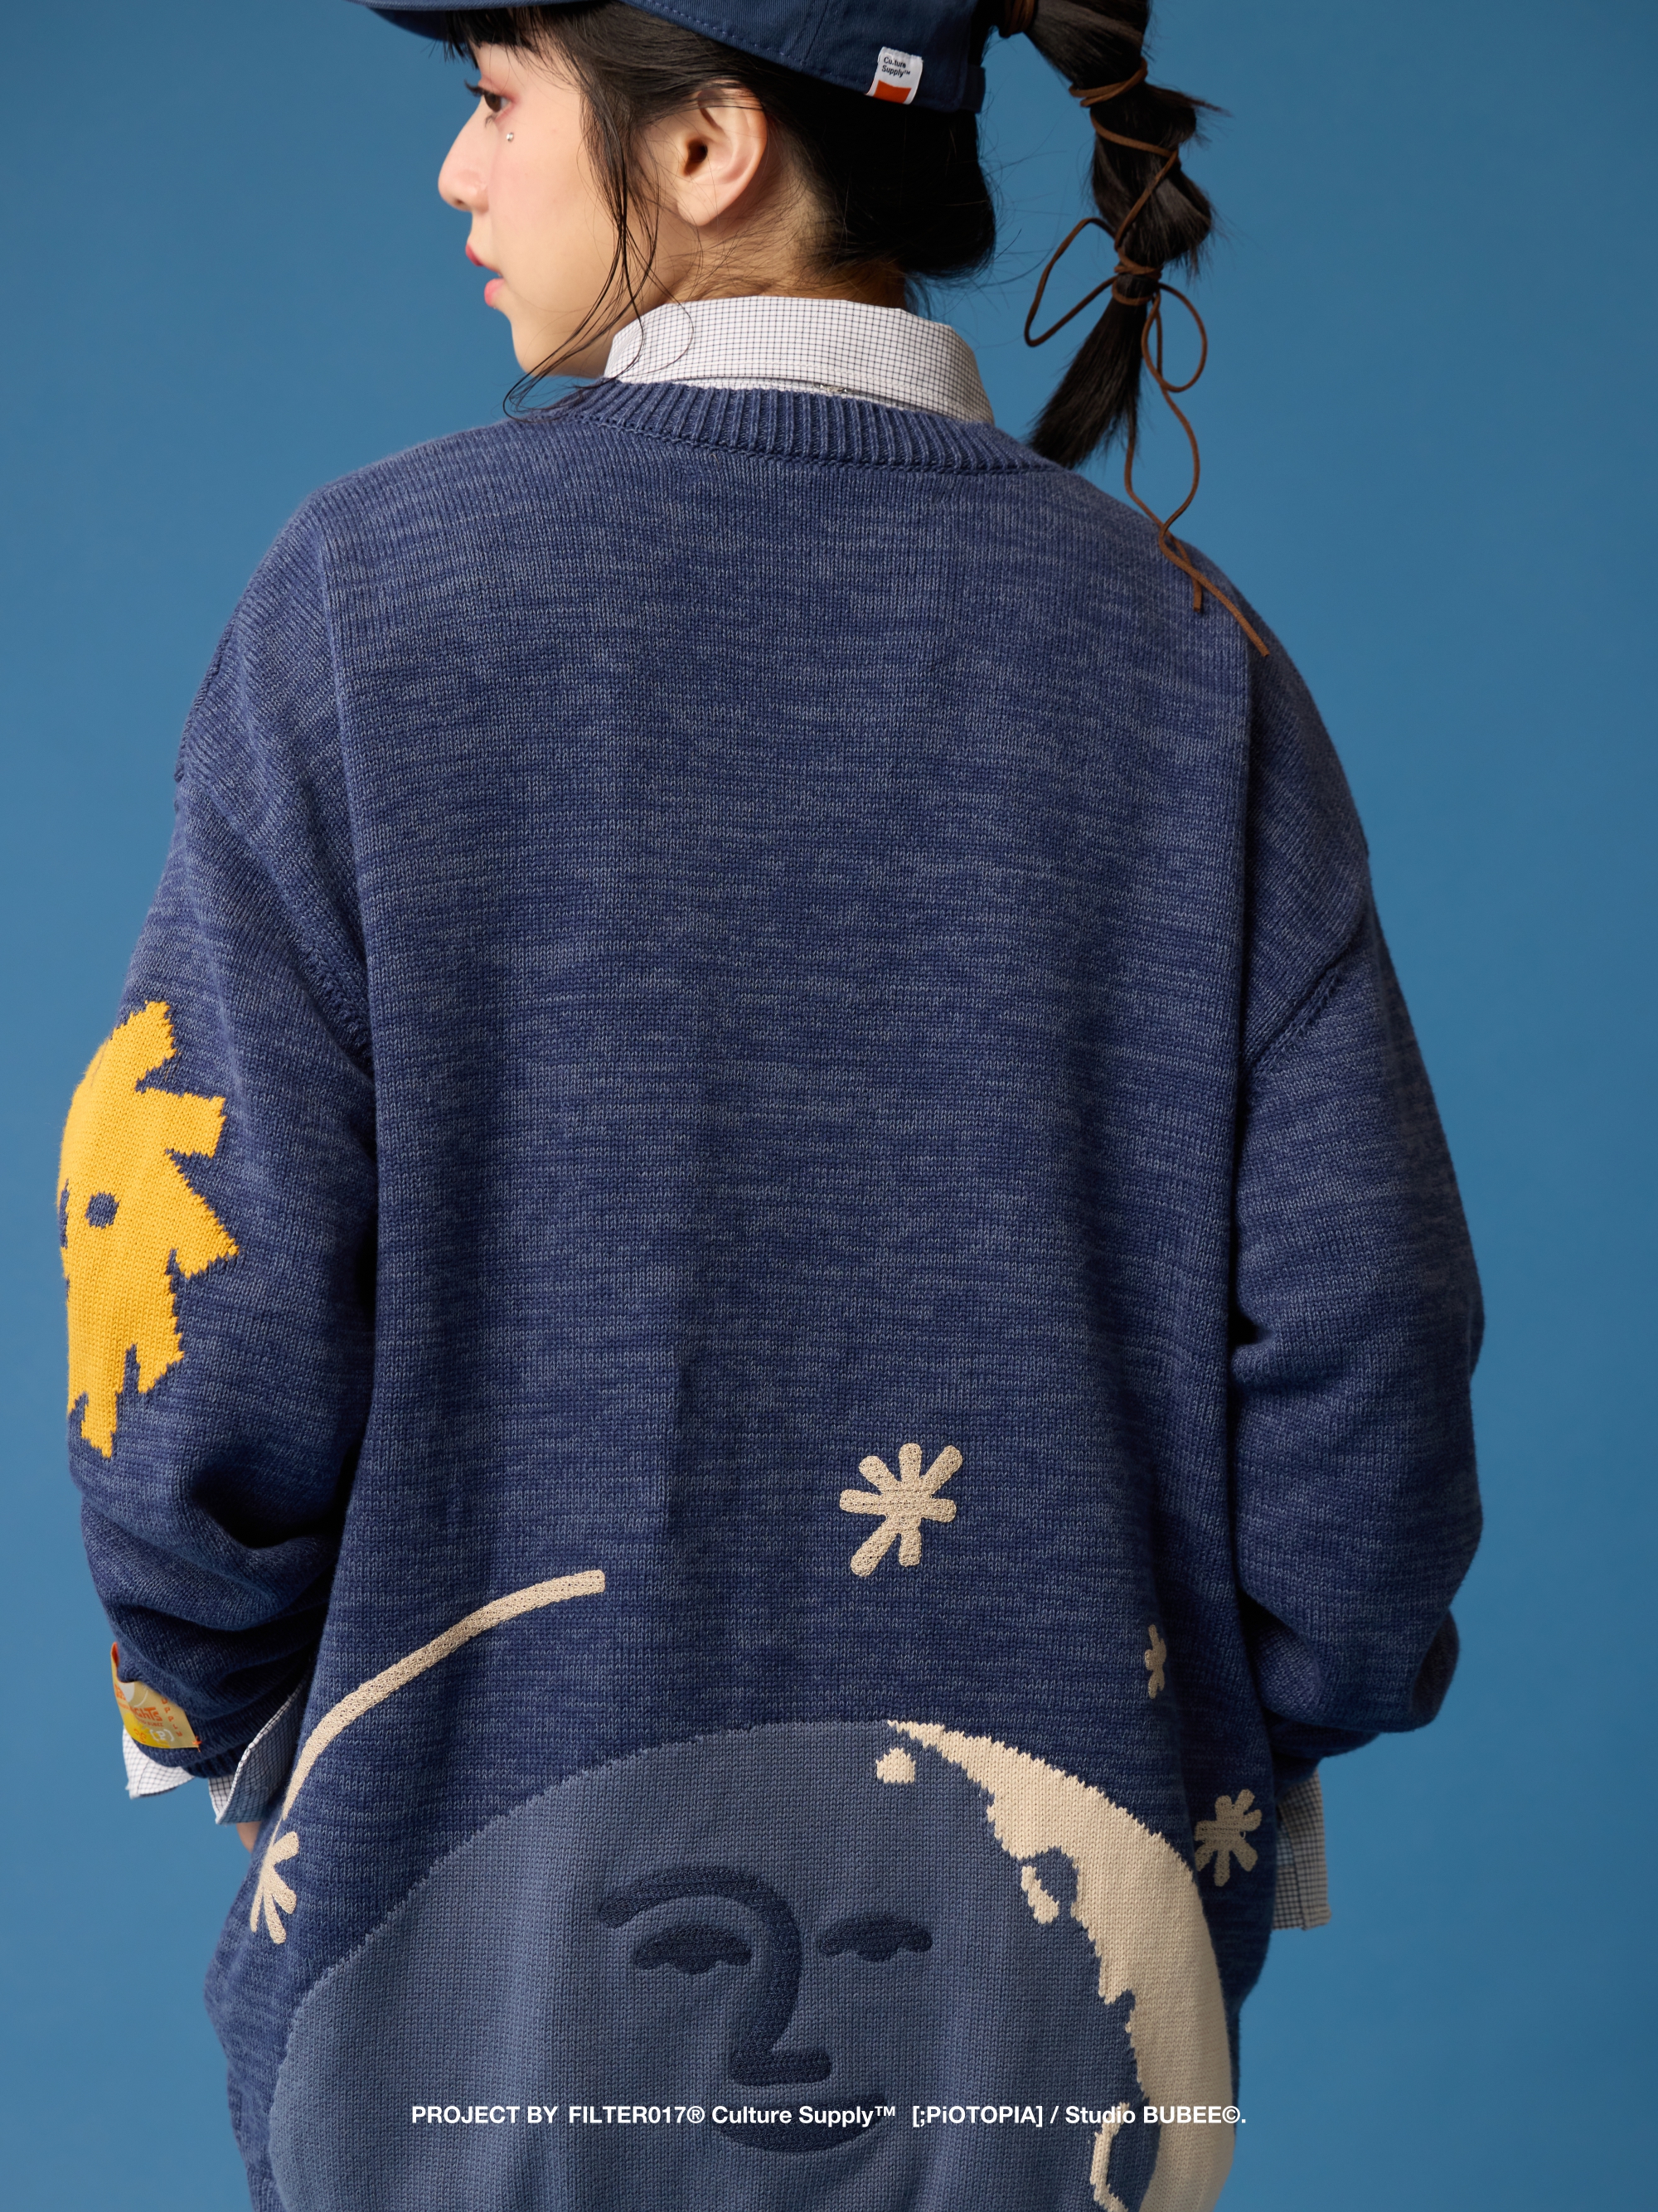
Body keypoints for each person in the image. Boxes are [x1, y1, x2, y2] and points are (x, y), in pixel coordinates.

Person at [57, 2, 1482, 2206]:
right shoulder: (1191, 660)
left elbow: (184, 1323)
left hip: (461, 2015)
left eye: (498, 96)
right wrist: (1183, 1740)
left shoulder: (366, 601)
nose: (459, 171)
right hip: (1043, 2022)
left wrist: (266, 1716)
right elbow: (1368, 1358)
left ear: (711, 145)